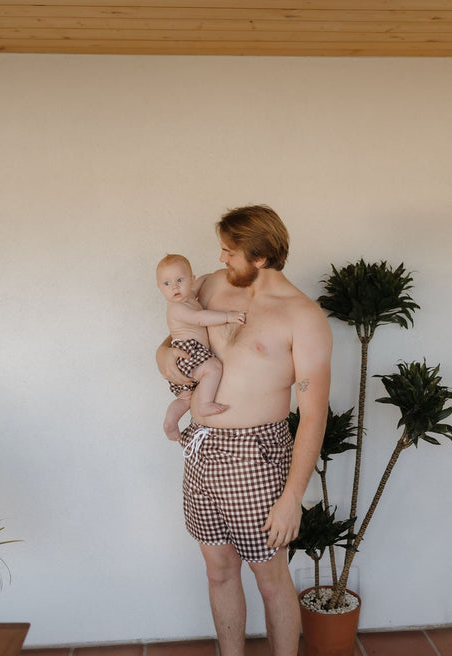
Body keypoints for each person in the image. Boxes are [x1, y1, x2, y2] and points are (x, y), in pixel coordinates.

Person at [156, 205, 332, 656]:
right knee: (218, 569)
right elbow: (174, 330)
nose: (220, 258)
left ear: (259, 257)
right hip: (202, 449)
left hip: (256, 454)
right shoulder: (214, 285)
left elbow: (313, 413)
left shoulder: (303, 316)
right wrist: (162, 357)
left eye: (230, 252)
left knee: (271, 578)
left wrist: (293, 497)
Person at [156, 253, 247, 440]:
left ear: (191, 280)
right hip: (188, 352)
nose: (174, 287)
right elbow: (200, 318)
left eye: (179, 280)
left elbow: (196, 287)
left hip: (190, 354)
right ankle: (205, 404)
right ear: (160, 288)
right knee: (214, 367)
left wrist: (210, 277)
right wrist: (228, 317)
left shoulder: (187, 297)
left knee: (185, 398)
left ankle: (170, 422)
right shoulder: (177, 308)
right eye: (166, 284)